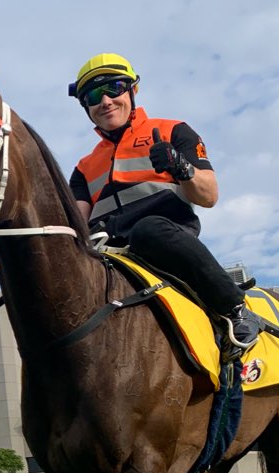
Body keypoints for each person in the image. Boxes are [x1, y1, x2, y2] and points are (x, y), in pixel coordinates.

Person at [67, 53, 260, 352]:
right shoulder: (83, 167)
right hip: (108, 254)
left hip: (162, 239)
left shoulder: (173, 130)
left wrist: (180, 166)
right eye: (93, 95)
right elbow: (75, 227)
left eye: (114, 88)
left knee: (148, 229)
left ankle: (236, 309)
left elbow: (208, 196)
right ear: (86, 106)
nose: (105, 100)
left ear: (133, 90)